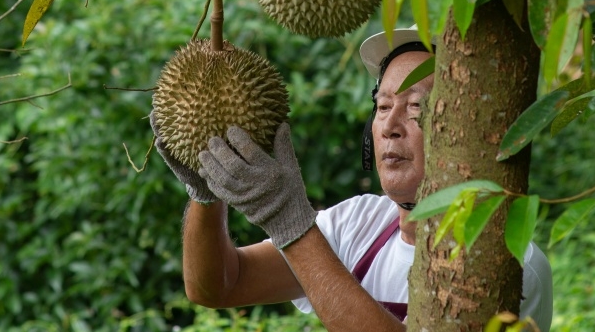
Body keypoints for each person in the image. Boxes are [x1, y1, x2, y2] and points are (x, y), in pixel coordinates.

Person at [152, 28, 554, 331]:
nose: (390, 126)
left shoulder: (508, 260)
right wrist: (206, 195)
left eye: (417, 107)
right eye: (382, 106)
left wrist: (292, 224)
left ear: (461, 130)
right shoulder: (358, 224)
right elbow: (219, 286)